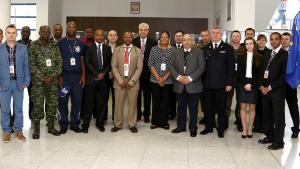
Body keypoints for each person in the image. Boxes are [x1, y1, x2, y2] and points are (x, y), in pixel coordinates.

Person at [29, 25, 62, 139]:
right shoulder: (33, 46)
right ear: (39, 32)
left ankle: (51, 126)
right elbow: (31, 65)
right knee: (37, 104)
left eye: (47, 32)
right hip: (38, 81)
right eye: (43, 31)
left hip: (52, 81)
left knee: (52, 103)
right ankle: (37, 129)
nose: (45, 33)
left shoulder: (54, 45)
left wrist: (52, 76)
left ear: (50, 33)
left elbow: (60, 63)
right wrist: (43, 78)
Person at [201, 26, 235, 138]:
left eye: (217, 33)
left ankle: (221, 128)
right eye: (213, 33)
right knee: (208, 107)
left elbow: (231, 68)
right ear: (211, 35)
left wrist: (229, 83)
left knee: (221, 108)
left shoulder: (228, 48)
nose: (215, 35)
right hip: (207, 84)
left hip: (222, 85)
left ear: (221, 35)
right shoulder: (205, 48)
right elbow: (202, 67)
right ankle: (208, 127)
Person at [170, 34, 205, 137]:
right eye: (184, 40)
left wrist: (189, 78)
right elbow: (170, 66)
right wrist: (179, 77)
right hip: (179, 85)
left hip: (194, 85)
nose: (186, 42)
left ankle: (193, 128)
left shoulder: (199, 52)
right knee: (180, 108)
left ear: (192, 41)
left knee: (193, 109)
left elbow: (201, 67)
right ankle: (181, 127)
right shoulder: (176, 52)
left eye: (189, 39)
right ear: (182, 41)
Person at [0, 24, 30, 143]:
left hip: (19, 83)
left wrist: (26, 81)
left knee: (18, 108)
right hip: (4, 84)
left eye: (13, 33)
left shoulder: (23, 48)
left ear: (16, 34)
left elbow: (26, 66)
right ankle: (6, 131)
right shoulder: (0, 48)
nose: (11, 35)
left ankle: (18, 130)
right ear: (5, 34)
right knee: (5, 109)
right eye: (9, 33)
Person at [258, 32, 287, 150]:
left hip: (277, 91)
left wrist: (270, 87)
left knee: (278, 117)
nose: (274, 41)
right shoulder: (268, 53)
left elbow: (283, 76)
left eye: (276, 39)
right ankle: (270, 136)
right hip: (264, 91)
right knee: (267, 115)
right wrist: (261, 86)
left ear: (280, 40)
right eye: (272, 39)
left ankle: (279, 141)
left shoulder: (285, 55)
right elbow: (261, 71)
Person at [111, 32, 143, 133]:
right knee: (118, 104)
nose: (128, 39)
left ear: (132, 38)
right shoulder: (117, 50)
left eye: (130, 37)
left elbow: (139, 68)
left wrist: (132, 81)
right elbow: (114, 66)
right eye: (126, 37)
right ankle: (118, 124)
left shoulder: (138, 51)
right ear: (123, 38)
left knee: (132, 104)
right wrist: (120, 80)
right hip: (119, 82)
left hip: (133, 82)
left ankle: (132, 124)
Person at [82, 29, 112, 133]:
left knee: (102, 103)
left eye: (101, 35)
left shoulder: (107, 48)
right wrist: (96, 74)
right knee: (88, 103)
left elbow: (109, 64)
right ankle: (85, 124)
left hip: (103, 80)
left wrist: (103, 73)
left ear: (104, 37)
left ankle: (99, 123)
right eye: (97, 35)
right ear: (94, 36)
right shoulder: (88, 47)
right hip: (91, 79)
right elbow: (87, 62)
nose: (99, 37)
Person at [58, 21, 86, 134]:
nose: (71, 28)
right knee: (62, 101)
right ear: (66, 28)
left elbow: (82, 60)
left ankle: (75, 123)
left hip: (77, 77)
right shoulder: (61, 43)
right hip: (65, 77)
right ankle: (63, 123)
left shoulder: (81, 43)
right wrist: (59, 76)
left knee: (77, 101)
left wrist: (84, 75)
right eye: (69, 27)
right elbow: (58, 61)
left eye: (73, 27)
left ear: (76, 29)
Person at [148, 31, 176, 129]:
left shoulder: (173, 50)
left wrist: (164, 78)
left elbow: (173, 66)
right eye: (162, 37)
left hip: (168, 81)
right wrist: (158, 78)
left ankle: (164, 122)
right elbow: (150, 64)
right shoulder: (154, 49)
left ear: (169, 38)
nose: (164, 39)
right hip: (154, 80)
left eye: (166, 37)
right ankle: (155, 121)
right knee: (156, 101)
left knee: (165, 101)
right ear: (160, 38)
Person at [133, 23, 158, 123]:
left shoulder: (153, 42)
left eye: (145, 30)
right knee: (136, 96)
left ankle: (146, 115)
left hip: (148, 74)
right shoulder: (134, 41)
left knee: (147, 96)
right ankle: (138, 114)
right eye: (141, 30)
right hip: (136, 74)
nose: (143, 31)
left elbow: (155, 59)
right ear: (138, 31)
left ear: (148, 31)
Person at [237, 38, 262, 138]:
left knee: (252, 108)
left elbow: (259, 74)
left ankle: (250, 128)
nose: (248, 45)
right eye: (246, 44)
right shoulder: (240, 57)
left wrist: (251, 84)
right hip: (243, 83)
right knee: (242, 107)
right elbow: (239, 72)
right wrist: (245, 84)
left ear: (254, 44)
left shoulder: (260, 57)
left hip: (254, 84)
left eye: (250, 43)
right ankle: (244, 129)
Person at [281, 32, 299, 138]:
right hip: (279, 85)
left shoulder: (295, 52)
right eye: (282, 39)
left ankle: (296, 129)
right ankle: (280, 127)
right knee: (279, 107)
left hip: (291, 84)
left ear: (290, 40)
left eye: (286, 39)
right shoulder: (277, 52)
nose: (284, 41)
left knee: (293, 107)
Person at [254, 34, 271, 133]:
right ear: (257, 41)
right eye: (259, 40)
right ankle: (256, 125)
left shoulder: (269, 52)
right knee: (257, 105)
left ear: (266, 41)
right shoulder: (254, 51)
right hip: (256, 82)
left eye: (263, 40)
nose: (261, 42)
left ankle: (265, 126)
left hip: (265, 82)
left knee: (265, 106)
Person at [228, 30, 243, 131]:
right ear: (231, 38)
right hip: (229, 78)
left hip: (241, 79)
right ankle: (225, 120)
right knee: (227, 101)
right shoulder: (227, 48)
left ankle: (239, 121)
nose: (236, 38)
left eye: (238, 36)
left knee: (240, 101)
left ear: (240, 38)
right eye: (234, 36)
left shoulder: (244, 49)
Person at [169, 30, 185, 120]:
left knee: (182, 99)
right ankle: (172, 114)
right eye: (176, 36)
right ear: (174, 38)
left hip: (184, 78)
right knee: (172, 97)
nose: (178, 37)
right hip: (172, 77)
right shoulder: (170, 48)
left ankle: (181, 115)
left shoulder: (187, 47)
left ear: (183, 37)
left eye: (180, 36)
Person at [105, 29, 118, 121]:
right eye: (110, 35)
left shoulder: (120, 48)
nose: (112, 37)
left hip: (117, 78)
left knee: (116, 99)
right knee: (104, 99)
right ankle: (103, 117)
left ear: (117, 37)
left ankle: (115, 117)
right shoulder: (104, 48)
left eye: (114, 35)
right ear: (107, 37)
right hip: (105, 77)